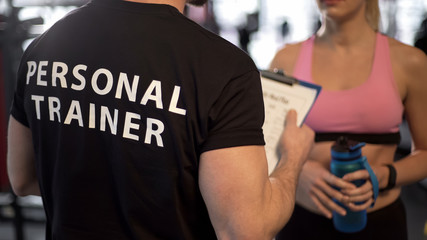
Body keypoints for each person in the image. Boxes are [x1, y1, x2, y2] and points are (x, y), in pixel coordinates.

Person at [6, 0, 314, 239]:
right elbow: (245, 231)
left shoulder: (44, 47)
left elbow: (22, 177)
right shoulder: (223, 67)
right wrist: (293, 159)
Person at [270, 0, 427, 239]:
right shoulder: (285, 59)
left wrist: (384, 176)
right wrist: (298, 171)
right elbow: (264, 144)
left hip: (380, 225)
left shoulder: (410, 62)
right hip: (300, 222)